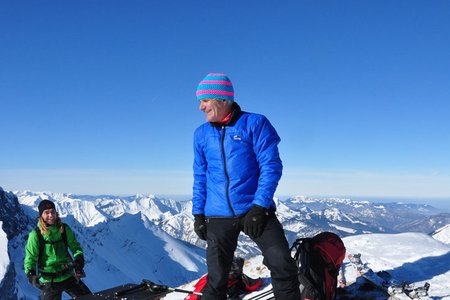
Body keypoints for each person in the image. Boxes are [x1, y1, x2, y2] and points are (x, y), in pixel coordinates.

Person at [192, 73, 301, 299]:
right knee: (216, 279)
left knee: (282, 265)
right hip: (217, 213)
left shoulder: (255, 123)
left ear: (221, 99)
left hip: (254, 209)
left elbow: (271, 166)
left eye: (204, 100)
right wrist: (198, 214)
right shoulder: (201, 134)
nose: (201, 107)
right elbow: (200, 175)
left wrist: (259, 207)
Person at [24, 199, 91, 300]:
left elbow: (75, 246)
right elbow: (30, 258)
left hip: (68, 275)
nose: (51, 215)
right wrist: (31, 275)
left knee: (89, 298)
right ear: (41, 215)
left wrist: (79, 258)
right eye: (47, 212)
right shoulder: (35, 235)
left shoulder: (64, 229)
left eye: (52, 211)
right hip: (49, 281)